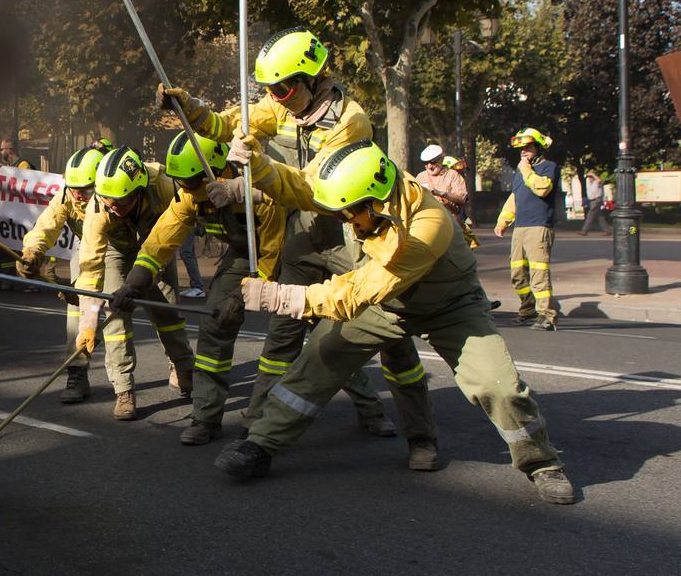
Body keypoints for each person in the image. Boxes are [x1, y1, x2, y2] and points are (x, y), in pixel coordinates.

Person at [212, 137, 575, 504]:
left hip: (449, 306)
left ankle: (541, 462)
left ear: (376, 201)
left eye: (348, 213)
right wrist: (259, 167)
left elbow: (359, 291)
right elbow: (302, 186)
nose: (345, 222)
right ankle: (260, 443)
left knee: (498, 386)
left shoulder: (428, 225)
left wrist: (282, 296)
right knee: (320, 357)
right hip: (387, 304)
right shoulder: (364, 192)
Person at [160, 27, 415, 438]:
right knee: (284, 333)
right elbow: (226, 126)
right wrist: (189, 109)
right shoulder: (281, 108)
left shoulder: (351, 122)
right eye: (269, 90)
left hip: (349, 231)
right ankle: (260, 417)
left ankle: (382, 415)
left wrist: (245, 183)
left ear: (311, 80)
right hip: (301, 236)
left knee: (361, 328)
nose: (274, 98)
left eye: (280, 89)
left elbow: (315, 189)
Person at [108, 130, 285, 445]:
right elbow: (159, 242)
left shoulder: (258, 189)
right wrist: (134, 283)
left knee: (307, 336)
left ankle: (369, 408)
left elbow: (272, 254)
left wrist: (242, 297)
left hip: (290, 252)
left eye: (191, 182)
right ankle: (206, 418)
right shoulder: (187, 195)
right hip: (245, 255)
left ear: (217, 169)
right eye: (180, 182)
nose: (185, 189)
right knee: (214, 324)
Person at [74, 147, 197, 421]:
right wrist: (87, 323)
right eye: (107, 201)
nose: (113, 207)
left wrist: (149, 269)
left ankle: (183, 368)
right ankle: (123, 389)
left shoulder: (165, 186)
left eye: (120, 201)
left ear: (140, 190)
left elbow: (182, 222)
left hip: (157, 246)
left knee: (167, 310)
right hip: (116, 252)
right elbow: (90, 267)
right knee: (116, 313)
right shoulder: (99, 209)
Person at [17, 143, 108, 403]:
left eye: (86, 190)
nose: (78, 196)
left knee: (162, 304)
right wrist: (31, 252)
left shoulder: (114, 193)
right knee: (79, 312)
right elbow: (46, 226)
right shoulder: (66, 196)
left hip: (125, 247)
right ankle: (77, 371)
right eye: (74, 189)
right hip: (87, 246)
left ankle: (179, 363)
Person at [495, 128, 561, 331]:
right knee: (517, 273)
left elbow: (542, 188)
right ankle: (527, 310)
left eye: (528, 148)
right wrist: (503, 221)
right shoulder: (520, 172)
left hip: (539, 226)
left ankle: (547, 316)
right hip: (520, 227)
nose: (523, 152)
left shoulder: (549, 167)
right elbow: (514, 199)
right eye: (521, 149)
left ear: (538, 148)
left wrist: (525, 171)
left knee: (538, 273)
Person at [580, 170, 611, 236]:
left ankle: (584, 231)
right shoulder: (588, 183)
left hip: (596, 200)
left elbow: (599, 180)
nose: (590, 178)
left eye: (591, 177)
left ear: (594, 177)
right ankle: (607, 230)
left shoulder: (597, 182)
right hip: (592, 201)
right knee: (600, 217)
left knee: (590, 216)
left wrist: (593, 174)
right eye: (589, 177)